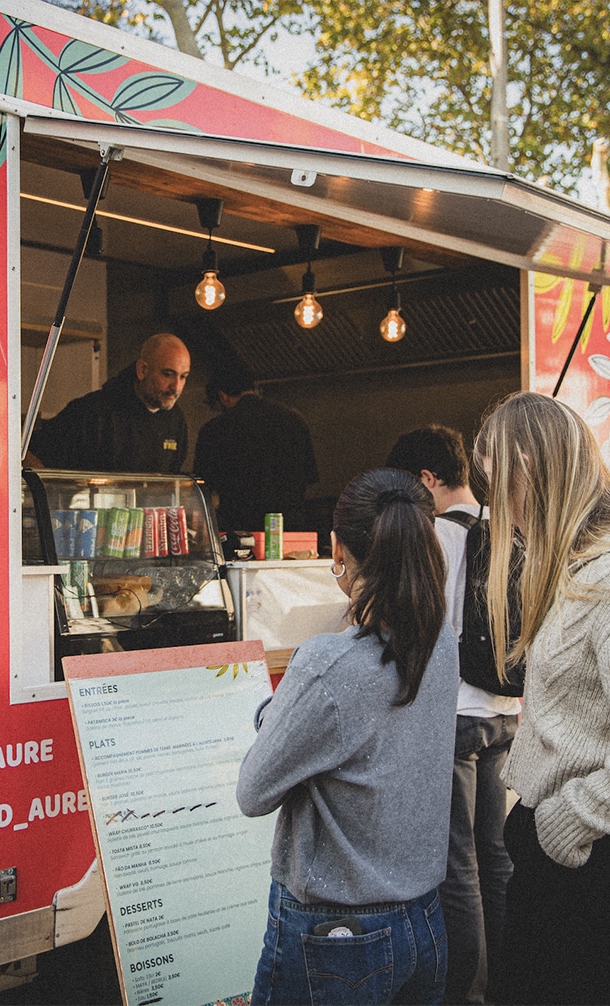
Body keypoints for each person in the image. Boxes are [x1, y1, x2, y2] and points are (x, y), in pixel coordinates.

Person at [473, 392, 610, 1005]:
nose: (497, 510)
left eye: (496, 487)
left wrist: (569, 822)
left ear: (529, 473)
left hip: (604, 868)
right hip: (572, 861)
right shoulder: (578, 566)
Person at [237, 468, 459, 1005]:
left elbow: (253, 791)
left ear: (337, 550)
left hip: (336, 937)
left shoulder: (328, 664)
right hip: (425, 921)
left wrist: (276, 713)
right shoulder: (441, 643)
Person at [386, 423, 520, 1006]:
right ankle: (509, 982)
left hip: (454, 717)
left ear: (425, 479)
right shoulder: (504, 528)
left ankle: (463, 992)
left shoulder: (432, 537)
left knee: (457, 864)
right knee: (497, 856)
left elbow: (404, 622)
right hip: (504, 712)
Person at [29, 332, 191, 472]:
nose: (175, 387)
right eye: (168, 374)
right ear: (142, 370)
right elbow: (26, 453)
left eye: (183, 377)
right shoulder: (92, 412)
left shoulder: (176, 420)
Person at [194, 360, 319, 532]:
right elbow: (310, 479)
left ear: (223, 396)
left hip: (240, 531)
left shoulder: (214, 430)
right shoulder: (295, 420)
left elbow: (202, 490)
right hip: (290, 529)